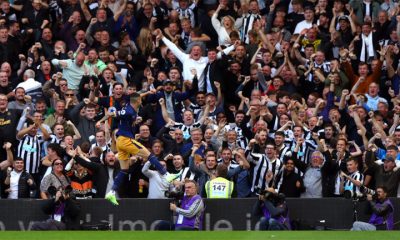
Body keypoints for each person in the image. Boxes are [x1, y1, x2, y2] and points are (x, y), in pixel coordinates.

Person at [105, 93, 179, 205]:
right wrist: (109, 115)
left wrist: (135, 119)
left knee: (124, 170)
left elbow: (129, 112)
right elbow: (115, 114)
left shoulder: (132, 110)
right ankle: (166, 175)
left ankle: (111, 192)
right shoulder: (129, 110)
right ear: (138, 101)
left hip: (121, 141)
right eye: (141, 99)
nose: (142, 101)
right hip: (125, 140)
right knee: (149, 155)